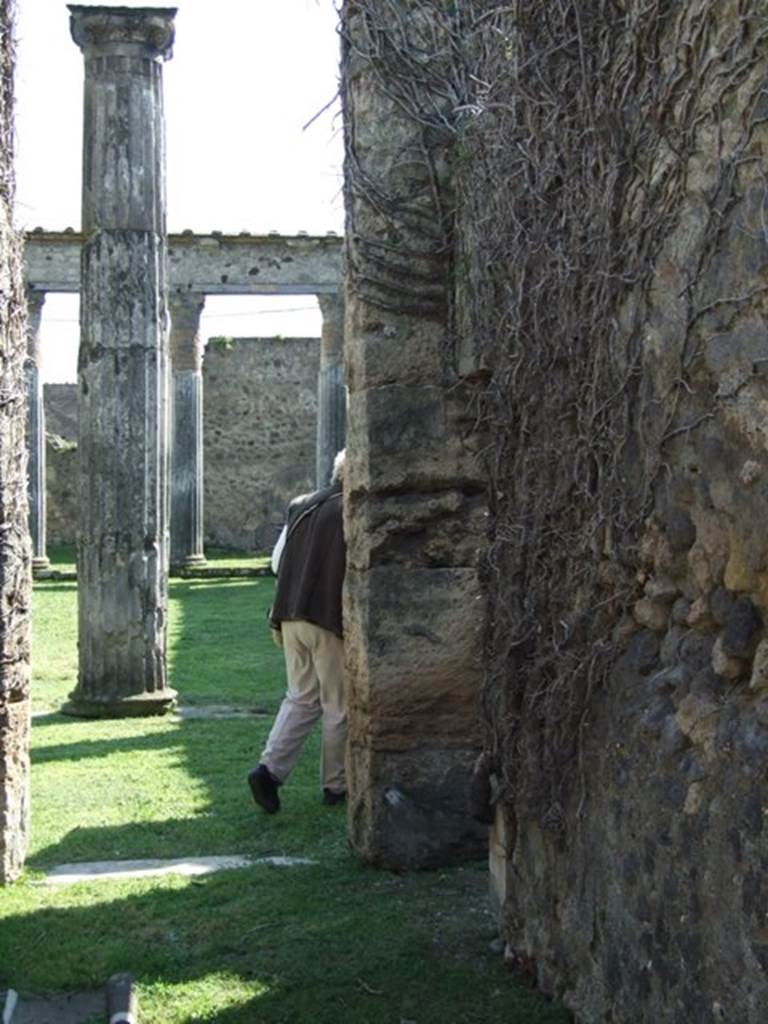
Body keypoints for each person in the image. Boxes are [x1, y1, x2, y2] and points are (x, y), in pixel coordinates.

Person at [248, 449, 347, 814]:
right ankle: (337, 785)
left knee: (301, 697)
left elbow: (277, 562)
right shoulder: (346, 509)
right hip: (324, 616)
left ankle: (269, 771)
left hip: (289, 615)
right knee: (338, 704)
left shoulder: (302, 505)